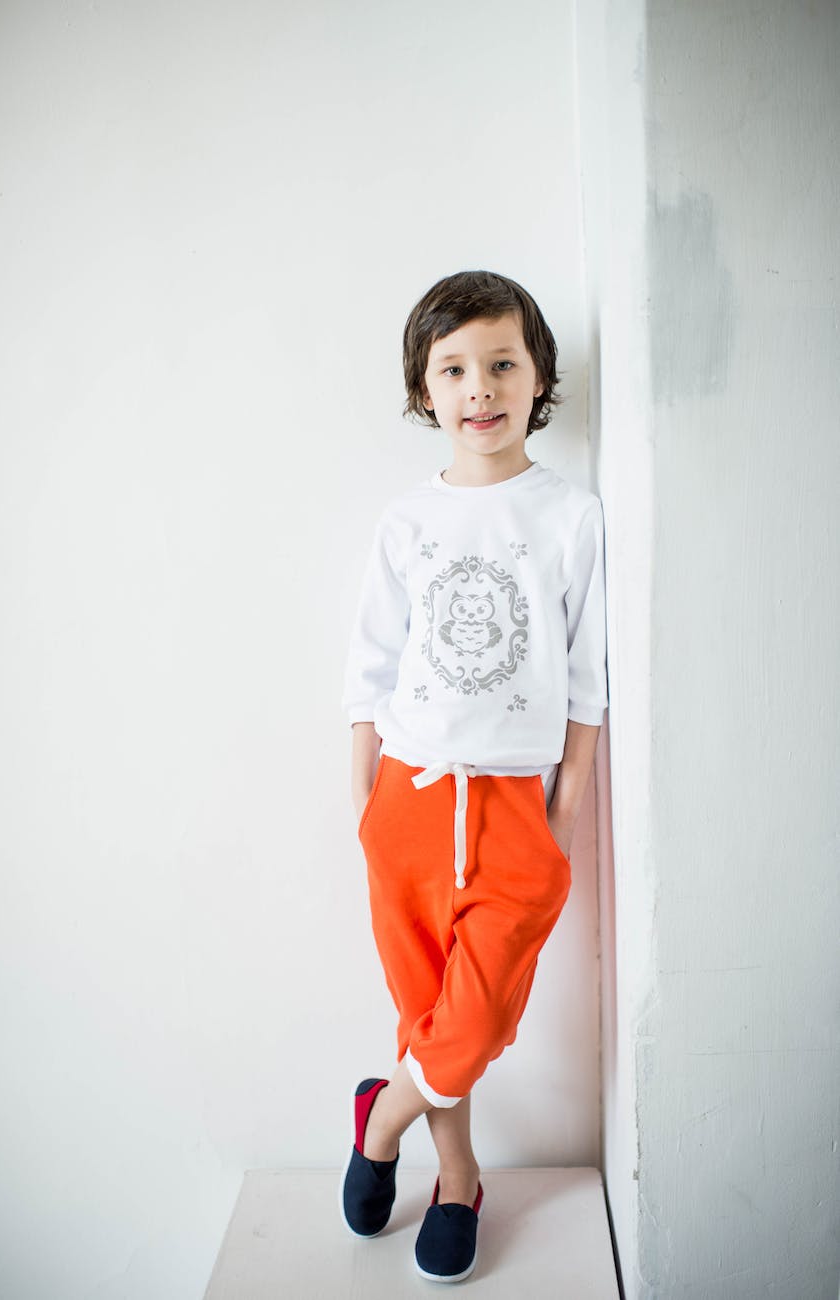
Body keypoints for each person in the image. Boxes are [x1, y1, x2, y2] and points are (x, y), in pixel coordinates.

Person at [338, 269, 608, 1283]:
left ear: (537, 378)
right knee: (429, 1018)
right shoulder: (406, 521)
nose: (479, 387)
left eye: (501, 363)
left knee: (477, 1016)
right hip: (407, 800)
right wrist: (363, 801)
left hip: (512, 809)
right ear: (423, 391)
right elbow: (368, 668)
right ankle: (458, 1179)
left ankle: (381, 1118)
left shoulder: (569, 514)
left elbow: (586, 673)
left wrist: (566, 802)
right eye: (453, 368)